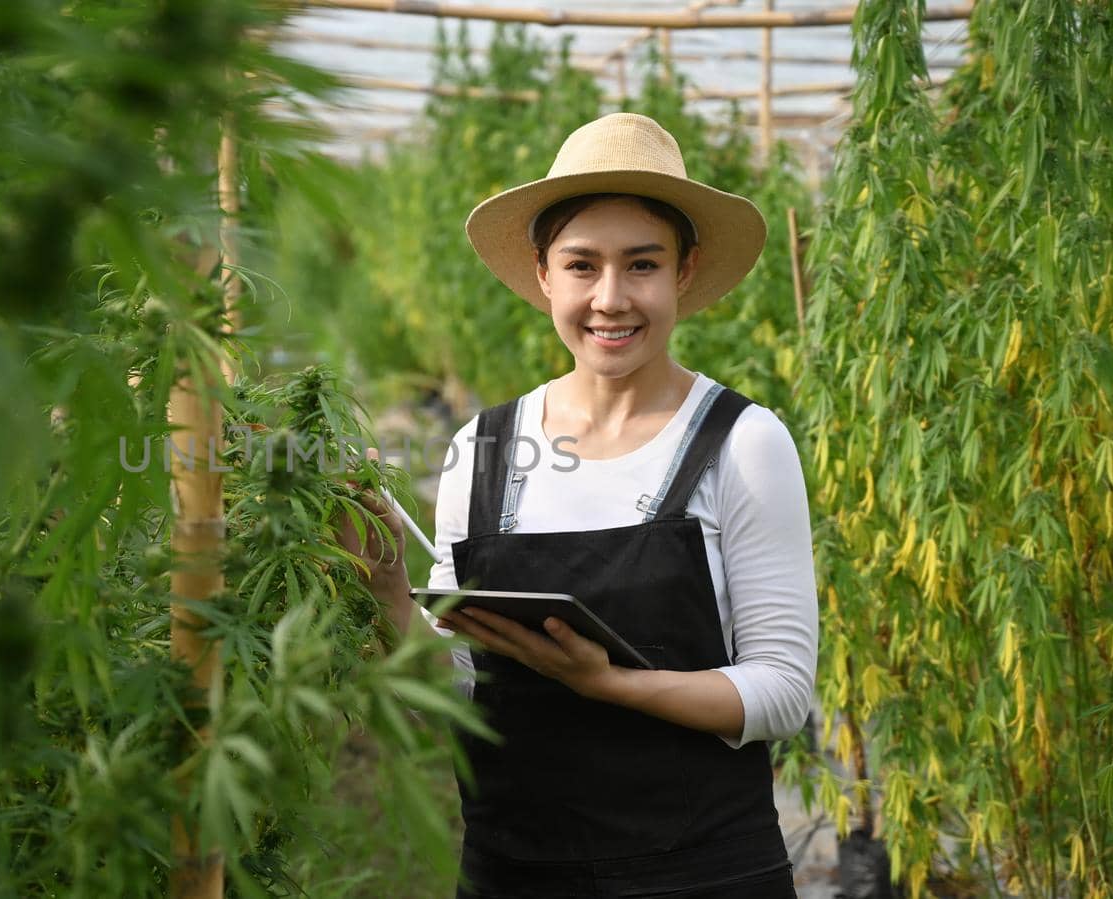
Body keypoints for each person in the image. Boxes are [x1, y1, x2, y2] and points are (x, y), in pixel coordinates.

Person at [338, 113, 818, 898]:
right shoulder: (482, 449)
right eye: (582, 265)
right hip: (513, 873)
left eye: (642, 265)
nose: (610, 298)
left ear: (684, 272)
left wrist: (611, 683)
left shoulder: (743, 442)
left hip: (702, 874)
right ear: (542, 275)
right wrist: (386, 582)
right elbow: (458, 689)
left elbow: (782, 690)